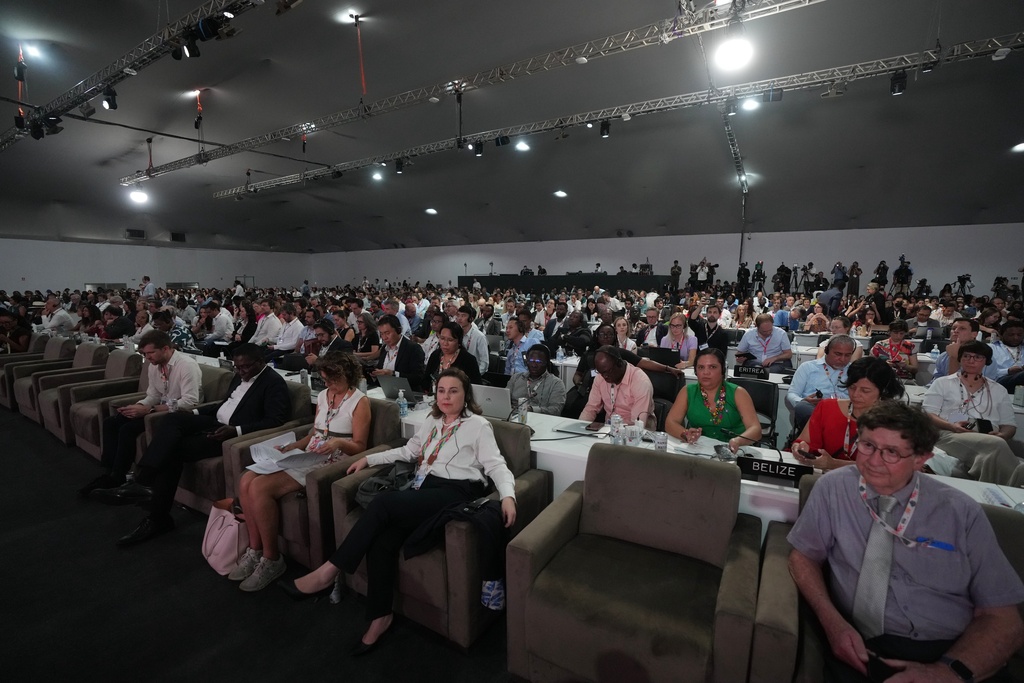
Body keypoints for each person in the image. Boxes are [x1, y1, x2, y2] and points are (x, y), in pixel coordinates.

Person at [283, 369, 517, 654]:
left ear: (466, 395)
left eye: (453, 391)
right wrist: (369, 458)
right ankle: (380, 617)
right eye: (441, 390)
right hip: (424, 488)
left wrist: (508, 496)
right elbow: (408, 451)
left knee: (383, 504)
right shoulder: (431, 420)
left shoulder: (478, 426)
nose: (446, 397)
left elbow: (496, 465)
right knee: (382, 541)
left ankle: (329, 571)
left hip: (456, 491)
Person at [787, 402, 1024, 683]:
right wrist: (832, 622)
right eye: (867, 446)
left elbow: (1004, 618)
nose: (874, 461)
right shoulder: (834, 488)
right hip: (863, 647)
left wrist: (947, 672)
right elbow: (803, 556)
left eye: (892, 452)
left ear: (921, 458)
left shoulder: (960, 512)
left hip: (951, 650)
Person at [96, 343, 292, 546]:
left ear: (260, 362)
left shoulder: (273, 383)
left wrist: (237, 430)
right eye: (237, 367)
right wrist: (194, 413)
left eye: (245, 367)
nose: (240, 372)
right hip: (215, 421)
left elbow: (275, 420)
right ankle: (145, 482)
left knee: (173, 451)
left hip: (231, 435)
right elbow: (225, 404)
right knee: (172, 419)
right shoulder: (240, 375)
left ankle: (156, 514)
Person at [233, 352, 371, 591]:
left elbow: (360, 445)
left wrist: (338, 443)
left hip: (333, 458)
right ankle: (254, 549)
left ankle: (271, 558)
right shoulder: (326, 396)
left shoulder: (359, 402)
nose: (327, 385)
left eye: (332, 380)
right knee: (246, 478)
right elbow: (314, 433)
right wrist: (291, 446)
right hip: (311, 452)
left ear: (347, 375)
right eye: (325, 380)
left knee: (259, 487)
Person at [78, 331, 203, 496]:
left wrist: (150, 410)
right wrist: (137, 406)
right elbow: (153, 395)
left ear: (166, 348)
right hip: (160, 408)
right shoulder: (153, 365)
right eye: (145, 353)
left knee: (127, 429)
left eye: (151, 353)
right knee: (112, 422)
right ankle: (110, 471)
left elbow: (190, 402)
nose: (148, 357)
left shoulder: (186, 365)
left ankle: (118, 476)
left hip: (180, 415)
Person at [921, 341, 1019, 485]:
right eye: (966, 356)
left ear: (987, 361)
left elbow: (1009, 424)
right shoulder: (943, 383)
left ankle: (991, 494)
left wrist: (1004, 435)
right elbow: (928, 414)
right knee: (995, 444)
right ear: (960, 359)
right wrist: (951, 426)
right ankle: (1014, 485)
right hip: (949, 433)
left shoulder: (998, 389)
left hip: (986, 436)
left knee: (994, 445)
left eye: (977, 357)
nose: (971, 360)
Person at [790, 357, 905, 471]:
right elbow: (803, 441)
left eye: (865, 391)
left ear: (883, 391)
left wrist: (834, 464)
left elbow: (892, 466)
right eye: (852, 388)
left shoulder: (893, 421)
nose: (855, 394)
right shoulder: (827, 408)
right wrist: (799, 447)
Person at [665, 348, 761, 452]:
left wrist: (737, 441)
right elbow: (670, 423)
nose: (706, 372)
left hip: (734, 450)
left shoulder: (738, 393)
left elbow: (755, 429)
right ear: (696, 371)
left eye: (712, 367)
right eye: (701, 367)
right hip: (698, 449)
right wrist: (686, 433)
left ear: (722, 370)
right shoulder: (688, 391)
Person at [787, 335, 858, 434]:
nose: (842, 359)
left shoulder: (855, 371)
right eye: (838, 354)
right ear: (826, 350)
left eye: (847, 355)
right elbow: (792, 394)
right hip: (816, 412)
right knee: (802, 407)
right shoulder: (808, 367)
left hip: (845, 414)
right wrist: (803, 400)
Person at [579, 345, 655, 428]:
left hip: (638, 432)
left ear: (619, 363)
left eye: (608, 372)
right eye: (600, 372)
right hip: (610, 430)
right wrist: (581, 428)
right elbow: (591, 408)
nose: (605, 376)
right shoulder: (600, 378)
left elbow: (638, 424)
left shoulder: (640, 381)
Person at [422, 321, 481, 392]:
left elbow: (475, 387)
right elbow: (426, 380)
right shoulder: (435, 355)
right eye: (442, 338)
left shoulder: (468, 360)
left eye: (450, 340)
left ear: (459, 341)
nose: (445, 343)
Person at [507, 344, 565, 415]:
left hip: (540, 420)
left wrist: (532, 409)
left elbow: (555, 410)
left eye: (538, 362)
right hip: (513, 418)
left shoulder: (556, 384)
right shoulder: (515, 378)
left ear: (546, 363)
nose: (534, 365)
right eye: (531, 361)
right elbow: (503, 400)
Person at [371, 314, 425, 388]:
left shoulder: (413, 348)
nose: (384, 337)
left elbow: (418, 378)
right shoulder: (384, 349)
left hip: (406, 393)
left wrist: (393, 374)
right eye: (381, 334)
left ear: (398, 330)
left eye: (387, 333)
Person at [989, 320, 1024, 391]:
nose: (1016, 338)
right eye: (1011, 335)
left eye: (1019, 335)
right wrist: (1007, 371)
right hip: (1000, 381)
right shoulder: (991, 348)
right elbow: (987, 373)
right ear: (1001, 335)